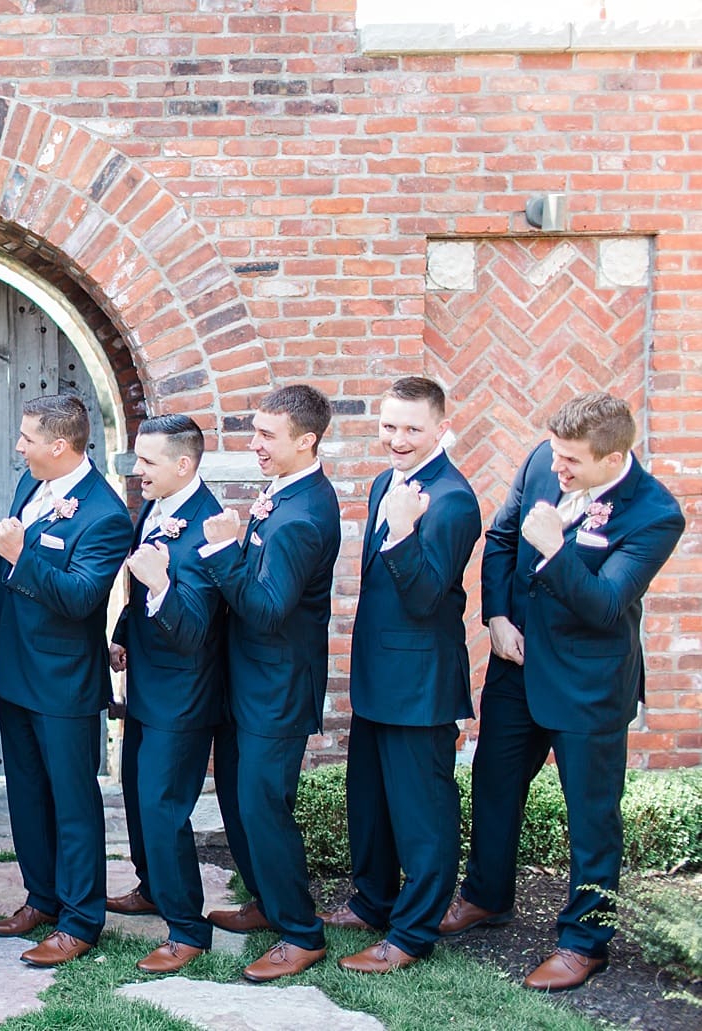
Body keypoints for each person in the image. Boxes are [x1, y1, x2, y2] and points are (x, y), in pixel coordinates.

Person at [442, 392, 684, 991]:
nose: (559, 469)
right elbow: (499, 539)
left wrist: (555, 546)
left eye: (572, 462)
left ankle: (584, 941)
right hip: (516, 668)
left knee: (592, 817)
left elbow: (604, 607)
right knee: (494, 786)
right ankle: (486, 896)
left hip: (589, 683)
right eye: (555, 454)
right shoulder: (541, 463)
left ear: (613, 456)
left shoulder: (655, 514)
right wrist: (496, 617)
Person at [325, 377, 480, 975]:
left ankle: (412, 934)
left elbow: (421, 596)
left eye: (412, 428)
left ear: (442, 429)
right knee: (370, 803)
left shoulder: (452, 499)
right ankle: (373, 901)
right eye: (389, 425)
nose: (397, 439)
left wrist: (405, 528)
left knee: (423, 815)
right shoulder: (385, 481)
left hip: (420, 683)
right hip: (377, 675)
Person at [0, 394, 132, 968]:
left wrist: (23, 556)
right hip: (16, 667)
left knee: (72, 803)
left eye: (28, 438)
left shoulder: (106, 515)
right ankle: (41, 898)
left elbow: (81, 598)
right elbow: (2, 572)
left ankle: (80, 920)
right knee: (26, 796)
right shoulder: (31, 486)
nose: (19, 447)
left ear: (60, 446)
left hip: (64, 681)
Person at [199, 384, 340, 983]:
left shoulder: (304, 517)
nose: (255, 445)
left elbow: (268, 609)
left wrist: (223, 552)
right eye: (254, 432)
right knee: (236, 797)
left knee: (264, 807)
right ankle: (265, 901)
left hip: (276, 688)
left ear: (306, 441)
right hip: (246, 678)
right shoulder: (282, 493)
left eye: (267, 436)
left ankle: (301, 932)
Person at [106, 414, 226, 974]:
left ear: (184, 464)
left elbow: (197, 627)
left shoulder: (206, 525)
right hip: (147, 681)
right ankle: (152, 886)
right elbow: (138, 591)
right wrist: (122, 636)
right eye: (136, 458)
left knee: (163, 806)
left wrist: (160, 584)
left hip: (183, 692)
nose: (137, 471)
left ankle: (187, 928)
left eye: (148, 461)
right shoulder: (157, 508)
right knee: (136, 792)